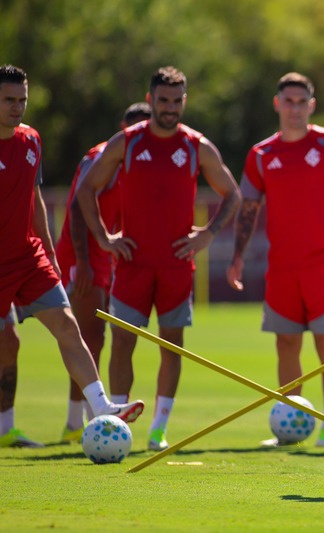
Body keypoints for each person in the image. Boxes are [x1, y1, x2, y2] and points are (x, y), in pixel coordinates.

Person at [76, 66, 241, 452]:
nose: (170, 107)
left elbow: (232, 193)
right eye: (163, 100)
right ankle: (117, 425)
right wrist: (104, 237)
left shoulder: (196, 145)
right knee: (122, 344)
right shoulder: (128, 142)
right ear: (150, 100)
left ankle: (158, 430)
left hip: (176, 266)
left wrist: (209, 234)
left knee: (173, 346)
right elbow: (87, 189)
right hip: (132, 263)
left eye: (177, 100)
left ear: (185, 101)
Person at [0, 64, 145, 448]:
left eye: (22, 100)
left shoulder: (31, 140)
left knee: (67, 326)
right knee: (7, 344)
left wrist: (47, 248)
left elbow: (34, 200)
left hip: (28, 258)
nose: (18, 108)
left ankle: (102, 409)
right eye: (9, 100)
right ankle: (5, 428)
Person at [227, 72, 324, 448]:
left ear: (312, 105)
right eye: (287, 101)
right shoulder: (261, 154)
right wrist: (237, 257)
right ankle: (289, 424)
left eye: (301, 101)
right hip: (282, 268)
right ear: (277, 104)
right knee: (286, 345)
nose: (294, 108)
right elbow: (249, 208)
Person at [56, 102, 152, 443]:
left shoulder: (144, 160)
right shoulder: (101, 157)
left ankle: (76, 422)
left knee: (92, 339)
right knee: (89, 338)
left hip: (109, 253)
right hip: (84, 253)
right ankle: (78, 422)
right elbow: (78, 211)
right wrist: (82, 262)